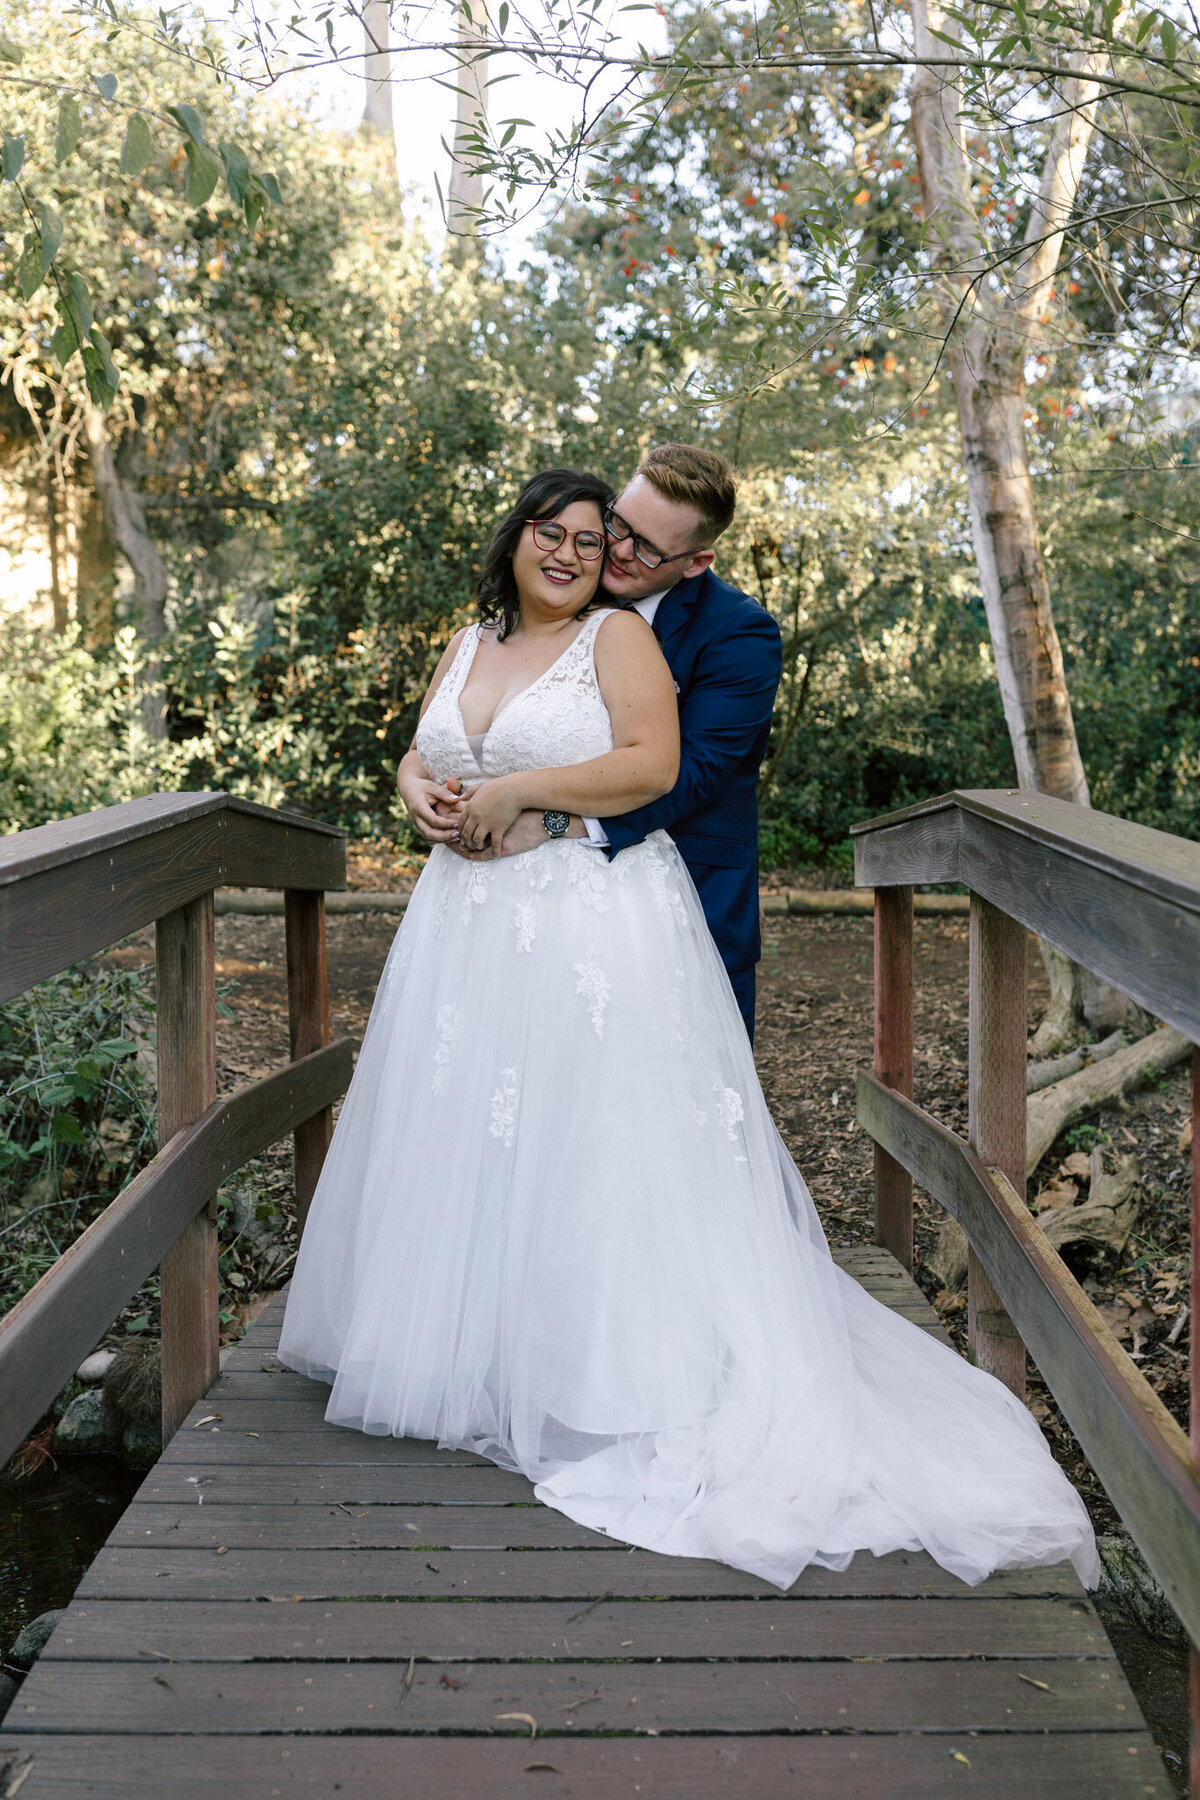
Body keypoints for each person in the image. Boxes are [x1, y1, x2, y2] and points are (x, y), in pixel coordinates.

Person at [277, 466, 1098, 1594]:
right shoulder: (476, 633)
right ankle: (482, 1352)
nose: (595, 552)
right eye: (576, 530)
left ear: (690, 561)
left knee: (609, 1145)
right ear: (523, 534)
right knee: (477, 1133)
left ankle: (609, 1369)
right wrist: (418, 777)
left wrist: (537, 801)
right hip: (462, 927)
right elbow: (441, 740)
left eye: (616, 542)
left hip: (596, 918)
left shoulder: (651, 637)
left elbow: (676, 769)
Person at [432, 445, 782, 1043]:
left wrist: (552, 821)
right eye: (619, 523)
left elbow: (690, 776)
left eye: (647, 547)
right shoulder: (566, 589)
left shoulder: (739, 634)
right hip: (524, 910)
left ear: (696, 563)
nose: (617, 549)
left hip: (688, 903)